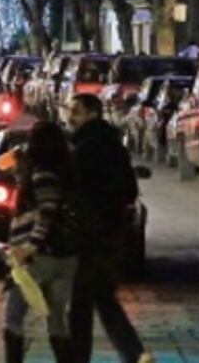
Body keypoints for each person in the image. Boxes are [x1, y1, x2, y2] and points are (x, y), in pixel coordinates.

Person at [66, 94, 151, 363]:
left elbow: (72, 191)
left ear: (92, 113)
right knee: (103, 298)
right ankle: (135, 354)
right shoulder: (114, 145)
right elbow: (130, 190)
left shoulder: (84, 149)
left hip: (89, 236)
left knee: (82, 303)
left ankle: (82, 357)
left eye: (76, 111)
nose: (70, 117)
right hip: (111, 234)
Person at [3, 121, 79, 363]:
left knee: (13, 317)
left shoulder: (43, 173)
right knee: (57, 321)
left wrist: (30, 246)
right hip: (66, 257)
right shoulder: (66, 170)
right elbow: (2, 164)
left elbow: (47, 213)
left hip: (39, 258)